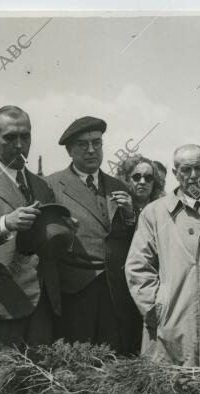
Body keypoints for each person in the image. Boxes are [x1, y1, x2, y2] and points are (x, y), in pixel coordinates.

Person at [125, 144, 200, 366]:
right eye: (185, 170)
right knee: (170, 391)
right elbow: (137, 266)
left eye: (199, 168)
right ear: (175, 173)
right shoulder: (154, 213)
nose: (193, 176)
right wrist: (157, 309)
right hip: (170, 328)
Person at [47, 116, 142, 355]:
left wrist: (131, 217)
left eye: (97, 143)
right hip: (76, 292)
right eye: (83, 144)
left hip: (115, 292)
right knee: (79, 362)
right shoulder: (51, 186)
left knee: (114, 360)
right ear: (69, 150)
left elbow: (133, 241)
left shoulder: (119, 186)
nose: (91, 150)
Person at [0, 106, 59, 356]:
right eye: (10, 137)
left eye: (26, 136)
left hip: (41, 308)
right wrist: (5, 223)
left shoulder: (42, 185)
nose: (20, 145)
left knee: (37, 388)